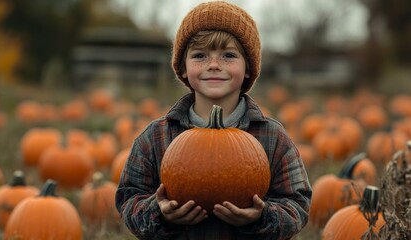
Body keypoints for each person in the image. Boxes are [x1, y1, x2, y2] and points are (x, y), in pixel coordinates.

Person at [115, 1, 312, 239]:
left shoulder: (272, 137)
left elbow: (298, 204)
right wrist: (159, 212)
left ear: (248, 67)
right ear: (184, 68)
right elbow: (128, 198)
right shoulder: (156, 137)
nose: (214, 65)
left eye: (228, 55)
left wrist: (262, 216)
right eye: (200, 55)